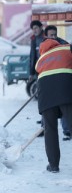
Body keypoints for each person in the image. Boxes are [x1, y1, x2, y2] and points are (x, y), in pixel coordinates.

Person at [35, 38, 72, 173]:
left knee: (50, 130)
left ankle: (53, 165)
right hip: (66, 92)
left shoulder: (41, 59)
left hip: (45, 95)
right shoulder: (67, 48)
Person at [44, 25, 71, 140]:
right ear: (46, 36)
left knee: (65, 106)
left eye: (55, 34)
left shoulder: (64, 45)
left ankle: (66, 131)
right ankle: (45, 127)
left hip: (62, 80)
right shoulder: (43, 47)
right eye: (51, 35)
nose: (54, 37)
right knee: (48, 108)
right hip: (48, 81)